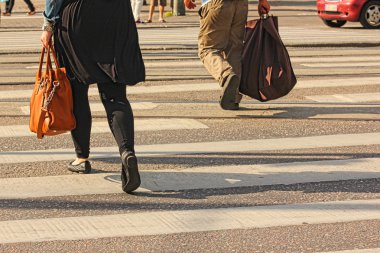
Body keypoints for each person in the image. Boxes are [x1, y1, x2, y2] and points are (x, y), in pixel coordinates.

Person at [41, 0, 145, 193]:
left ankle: (82, 158)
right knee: (115, 96)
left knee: (77, 92)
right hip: (116, 16)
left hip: (77, 18)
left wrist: (48, 24)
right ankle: (126, 151)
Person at [184, 0, 270, 110]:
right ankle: (233, 98)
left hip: (217, 4)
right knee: (234, 50)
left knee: (207, 49)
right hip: (240, 5)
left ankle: (226, 75)